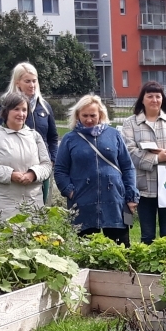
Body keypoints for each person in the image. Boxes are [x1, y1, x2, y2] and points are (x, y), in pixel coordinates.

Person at [53, 94, 138, 244]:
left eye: (93, 115)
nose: (89, 119)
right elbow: (60, 170)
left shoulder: (114, 135)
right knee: (85, 250)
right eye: (84, 115)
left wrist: (131, 197)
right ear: (77, 115)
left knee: (120, 248)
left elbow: (127, 167)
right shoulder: (69, 139)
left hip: (114, 201)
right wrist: (70, 191)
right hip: (83, 203)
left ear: (100, 115)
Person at [121, 81, 166, 243]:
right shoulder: (131, 123)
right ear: (142, 99)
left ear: (162, 99)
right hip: (144, 187)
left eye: (158, 96)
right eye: (150, 96)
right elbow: (129, 153)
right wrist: (156, 159)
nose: (154, 100)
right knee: (147, 235)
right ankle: (149, 268)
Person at [0, 90, 52, 220]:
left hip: (32, 203)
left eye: (24, 110)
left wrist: (33, 174)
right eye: (16, 109)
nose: (21, 114)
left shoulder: (35, 136)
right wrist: (10, 175)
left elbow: (46, 165)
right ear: (6, 111)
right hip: (0, 204)